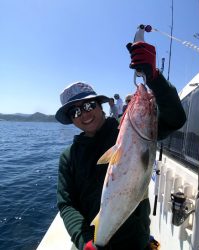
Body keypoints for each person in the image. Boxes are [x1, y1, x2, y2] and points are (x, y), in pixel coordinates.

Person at [55, 41, 186, 250]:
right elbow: (66, 203)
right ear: (71, 119)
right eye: (75, 111)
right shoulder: (68, 157)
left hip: (135, 242)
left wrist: (154, 77)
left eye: (89, 105)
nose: (85, 114)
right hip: (93, 242)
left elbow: (175, 119)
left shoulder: (131, 133)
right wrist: (83, 241)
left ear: (100, 105)